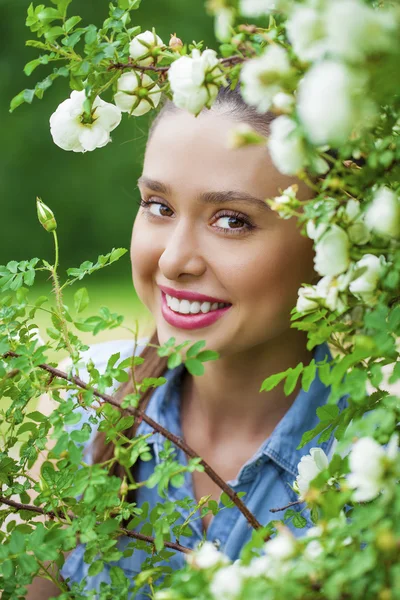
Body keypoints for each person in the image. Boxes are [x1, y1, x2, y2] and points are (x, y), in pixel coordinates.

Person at [27, 83, 348, 599]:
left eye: (232, 220)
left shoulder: (374, 460)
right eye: (158, 206)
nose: (174, 260)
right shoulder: (86, 401)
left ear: (331, 239)